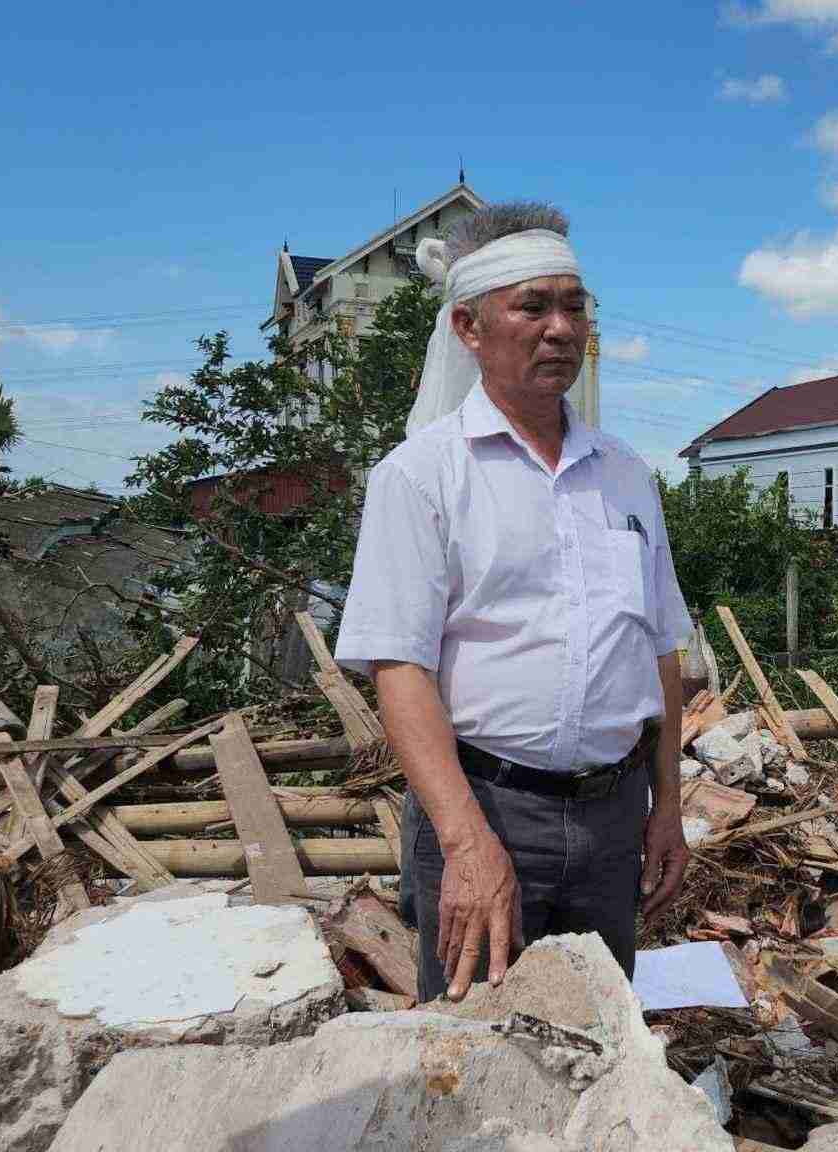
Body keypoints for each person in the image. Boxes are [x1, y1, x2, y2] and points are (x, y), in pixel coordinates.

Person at [335, 202, 692, 1002]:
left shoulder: (627, 474)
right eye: (533, 306)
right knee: (473, 1052)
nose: (561, 328)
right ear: (468, 326)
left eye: (574, 305)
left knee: (595, 1040)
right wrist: (467, 844)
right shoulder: (422, 477)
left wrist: (666, 807)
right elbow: (400, 670)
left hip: (611, 819)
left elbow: (661, 648)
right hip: (488, 808)